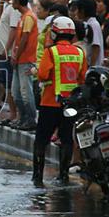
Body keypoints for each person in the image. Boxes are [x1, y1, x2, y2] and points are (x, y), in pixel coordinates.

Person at [32, 16, 86, 186]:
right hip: (70, 105)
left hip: (50, 102)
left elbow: (42, 75)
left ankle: (38, 176)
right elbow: (82, 78)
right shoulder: (79, 53)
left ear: (55, 33)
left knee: (42, 139)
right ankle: (63, 175)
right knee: (66, 139)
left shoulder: (51, 52)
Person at [9, 0, 38, 130]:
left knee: (26, 93)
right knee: (16, 93)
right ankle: (23, 118)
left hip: (25, 60)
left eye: (13, 0)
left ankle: (31, 120)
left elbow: (24, 40)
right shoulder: (23, 17)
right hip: (19, 60)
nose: (11, 2)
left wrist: (16, 56)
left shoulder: (28, 17)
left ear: (18, 1)